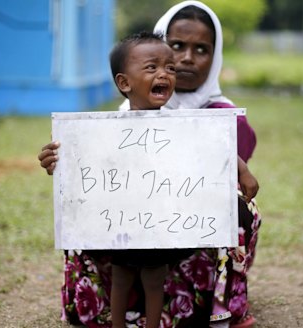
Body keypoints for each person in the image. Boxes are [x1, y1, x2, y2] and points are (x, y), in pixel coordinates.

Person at [38, 1, 261, 327]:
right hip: (127, 222)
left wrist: (240, 169)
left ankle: (210, 305)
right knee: (99, 241)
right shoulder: (112, 124)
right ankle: (112, 309)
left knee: (240, 212)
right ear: (126, 78)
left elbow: (217, 167)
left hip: (181, 223)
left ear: (216, 57)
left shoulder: (222, 119)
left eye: (201, 49)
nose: (184, 59)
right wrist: (62, 162)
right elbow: (94, 171)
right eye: (176, 47)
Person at [107, 31, 178, 328]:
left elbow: (212, 149)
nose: (164, 74)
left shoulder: (184, 125)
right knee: (121, 276)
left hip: (160, 217)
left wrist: (242, 169)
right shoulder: (105, 129)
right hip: (121, 218)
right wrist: (58, 157)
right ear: (124, 83)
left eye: (170, 68)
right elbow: (83, 156)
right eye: (151, 68)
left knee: (154, 277)